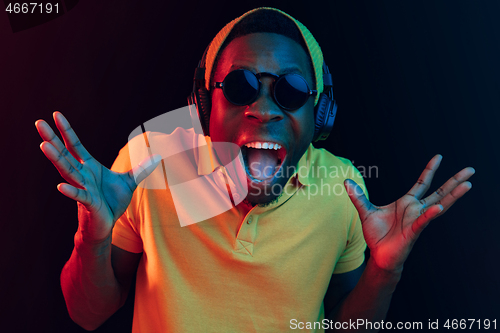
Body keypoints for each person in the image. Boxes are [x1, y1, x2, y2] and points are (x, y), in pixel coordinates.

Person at [35, 7, 474, 332]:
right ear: (204, 106)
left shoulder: (344, 189)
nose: (263, 110)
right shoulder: (147, 164)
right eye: (241, 86)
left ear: (320, 114)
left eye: (291, 90)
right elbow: (88, 314)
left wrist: (384, 270)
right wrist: (91, 238)